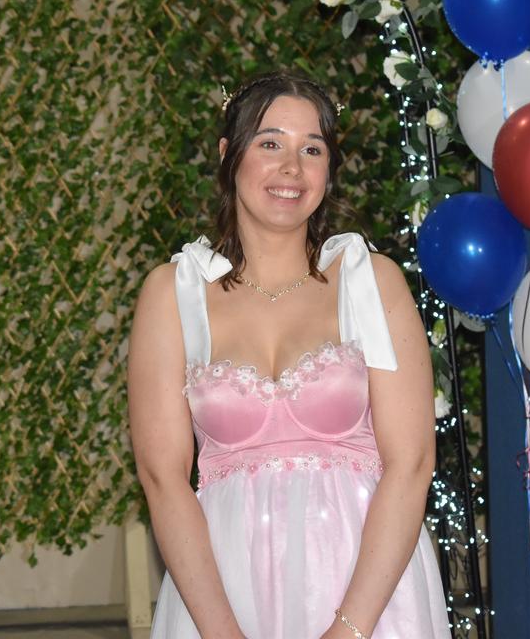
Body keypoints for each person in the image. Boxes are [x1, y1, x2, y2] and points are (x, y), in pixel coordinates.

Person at [127, 71, 451, 639]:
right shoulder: (171, 293)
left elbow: (413, 463)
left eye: (312, 149)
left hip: (367, 590)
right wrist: (223, 633)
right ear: (230, 155)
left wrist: (349, 631)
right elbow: (162, 478)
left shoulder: (370, 281)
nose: (292, 169)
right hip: (222, 593)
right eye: (270, 143)